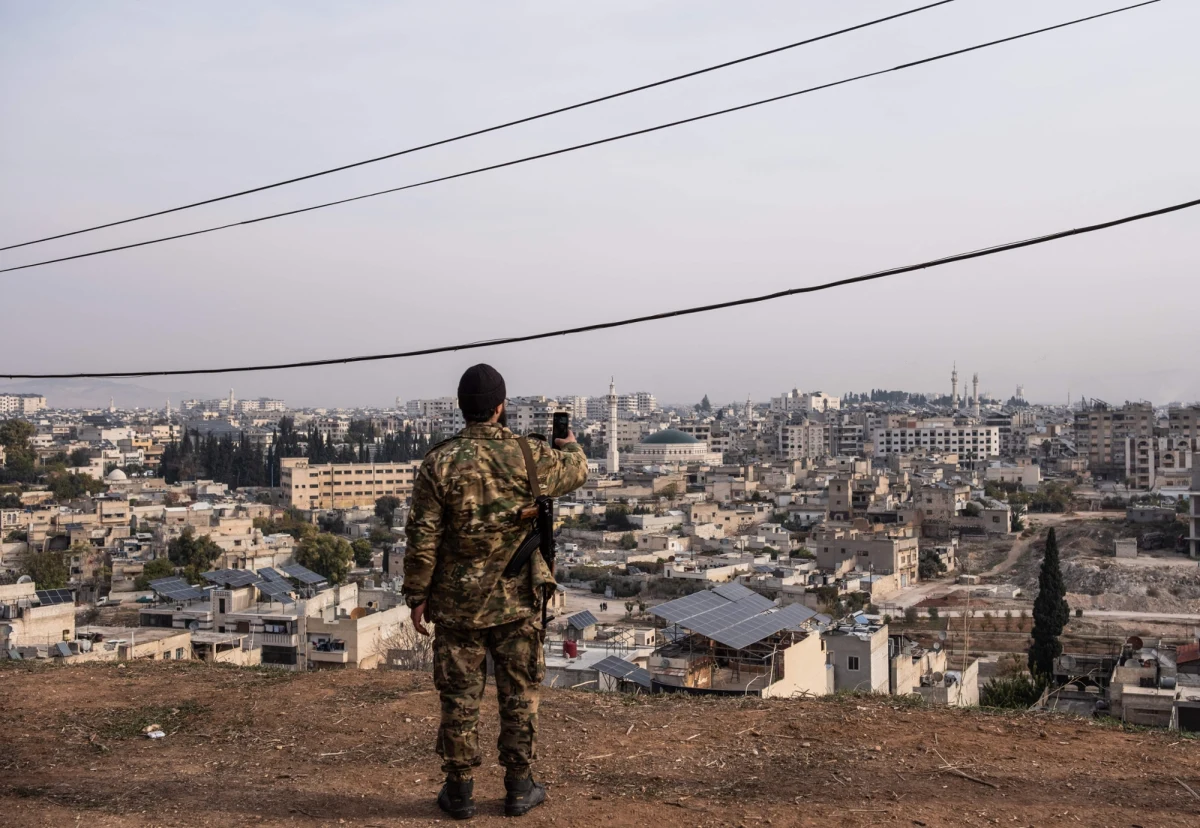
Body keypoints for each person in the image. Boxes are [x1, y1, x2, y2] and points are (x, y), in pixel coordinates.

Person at [403, 364, 588, 820]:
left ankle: (460, 791)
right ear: (501, 407)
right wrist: (568, 444)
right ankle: (519, 788)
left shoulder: (439, 461)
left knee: (459, 699)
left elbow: (422, 534)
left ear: (463, 408)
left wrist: (417, 595)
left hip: (455, 603)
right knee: (519, 694)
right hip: (518, 600)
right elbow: (577, 471)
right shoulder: (529, 456)